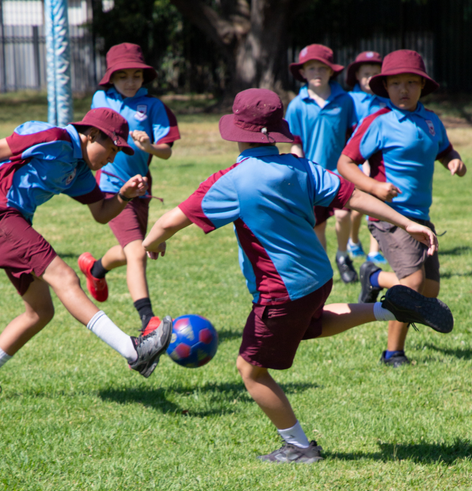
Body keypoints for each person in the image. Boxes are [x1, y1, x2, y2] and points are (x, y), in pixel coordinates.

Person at [142, 88, 454, 462]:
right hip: (317, 278)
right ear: (276, 133)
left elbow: (169, 221)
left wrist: (152, 243)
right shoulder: (301, 167)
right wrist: (407, 222)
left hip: (280, 289)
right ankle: (392, 309)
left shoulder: (232, 180)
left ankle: (299, 447)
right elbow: (353, 196)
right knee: (313, 324)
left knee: (251, 371)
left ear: (239, 133)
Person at [0, 108, 172, 400]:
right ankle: (133, 350)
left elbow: (101, 213)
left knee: (40, 312)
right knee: (65, 277)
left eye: (117, 153)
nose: (112, 158)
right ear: (91, 135)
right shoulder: (54, 137)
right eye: (110, 149)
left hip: (9, 220)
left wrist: (123, 196)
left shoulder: (80, 172)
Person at [337, 50, 467, 367]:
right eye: (396, 83)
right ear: (385, 88)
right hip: (388, 216)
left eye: (411, 82)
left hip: (421, 217)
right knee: (412, 286)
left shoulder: (431, 121)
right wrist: (373, 187)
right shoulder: (378, 122)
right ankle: (392, 352)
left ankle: (374, 277)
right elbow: (345, 162)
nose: (404, 89)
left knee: (430, 290)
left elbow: (444, 149)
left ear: (423, 86)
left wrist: (453, 160)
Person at [78, 43, 180, 332]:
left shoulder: (154, 106)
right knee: (137, 251)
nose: (131, 81)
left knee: (135, 249)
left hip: (140, 188)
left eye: (136, 75)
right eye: (123, 76)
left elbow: (167, 151)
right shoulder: (99, 99)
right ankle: (148, 321)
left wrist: (150, 146)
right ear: (111, 78)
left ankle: (96, 268)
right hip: (110, 187)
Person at [285, 44, 358, 284]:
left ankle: (343, 255)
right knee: (317, 226)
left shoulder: (345, 100)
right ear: (303, 73)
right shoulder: (297, 105)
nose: (317, 72)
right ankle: (322, 267)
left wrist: (356, 167)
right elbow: (295, 142)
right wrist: (297, 169)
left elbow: (352, 137)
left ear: (331, 72)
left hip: (340, 172)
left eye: (322, 68)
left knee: (343, 216)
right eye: (311, 68)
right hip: (311, 175)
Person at [345, 51, 389, 265]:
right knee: (358, 204)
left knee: (377, 201)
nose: (370, 78)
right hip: (356, 159)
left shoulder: (386, 100)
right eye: (366, 74)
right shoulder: (349, 100)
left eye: (375, 73)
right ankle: (353, 241)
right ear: (357, 76)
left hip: (378, 159)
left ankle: (374, 250)